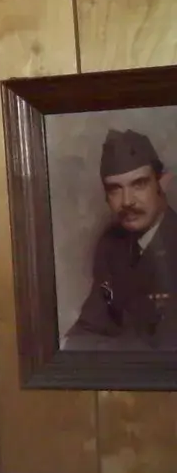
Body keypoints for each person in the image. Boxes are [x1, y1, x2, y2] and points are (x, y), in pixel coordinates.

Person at [63, 128, 177, 351]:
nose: (127, 201)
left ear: (162, 184)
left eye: (139, 184)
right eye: (115, 189)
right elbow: (90, 326)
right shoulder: (111, 246)